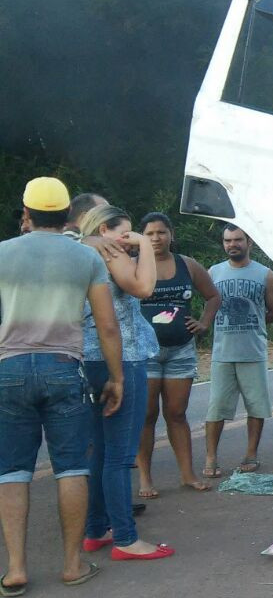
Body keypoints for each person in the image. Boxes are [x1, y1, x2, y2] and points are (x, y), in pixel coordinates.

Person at [0, 178, 122, 594]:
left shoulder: (2, 253)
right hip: (64, 367)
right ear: (68, 216)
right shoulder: (84, 258)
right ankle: (72, 564)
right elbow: (107, 325)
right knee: (71, 466)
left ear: (28, 215)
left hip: (10, 368)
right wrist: (116, 377)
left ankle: (16, 568)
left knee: (12, 470)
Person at [77, 205, 173, 561]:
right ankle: (126, 539)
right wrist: (145, 247)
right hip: (121, 356)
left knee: (100, 450)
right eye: (127, 232)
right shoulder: (109, 252)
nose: (130, 240)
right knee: (119, 454)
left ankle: (96, 529)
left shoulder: (80, 252)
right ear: (105, 229)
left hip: (87, 359)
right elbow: (144, 287)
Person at [135, 213, 220, 498]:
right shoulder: (134, 265)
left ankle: (187, 474)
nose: (156, 238)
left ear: (171, 234)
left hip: (181, 351)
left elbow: (213, 296)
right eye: (149, 234)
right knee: (146, 415)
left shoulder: (187, 265)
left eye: (161, 232)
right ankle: (145, 479)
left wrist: (204, 323)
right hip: (144, 351)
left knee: (177, 413)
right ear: (141, 237)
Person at [204, 225, 273, 477]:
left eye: (238, 240)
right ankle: (211, 457)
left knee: (256, 406)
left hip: (252, 352)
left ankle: (251, 454)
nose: (232, 244)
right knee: (216, 408)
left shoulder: (265, 275)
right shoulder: (213, 272)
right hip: (222, 353)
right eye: (227, 240)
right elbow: (208, 307)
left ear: (250, 243)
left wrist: (251, 325)